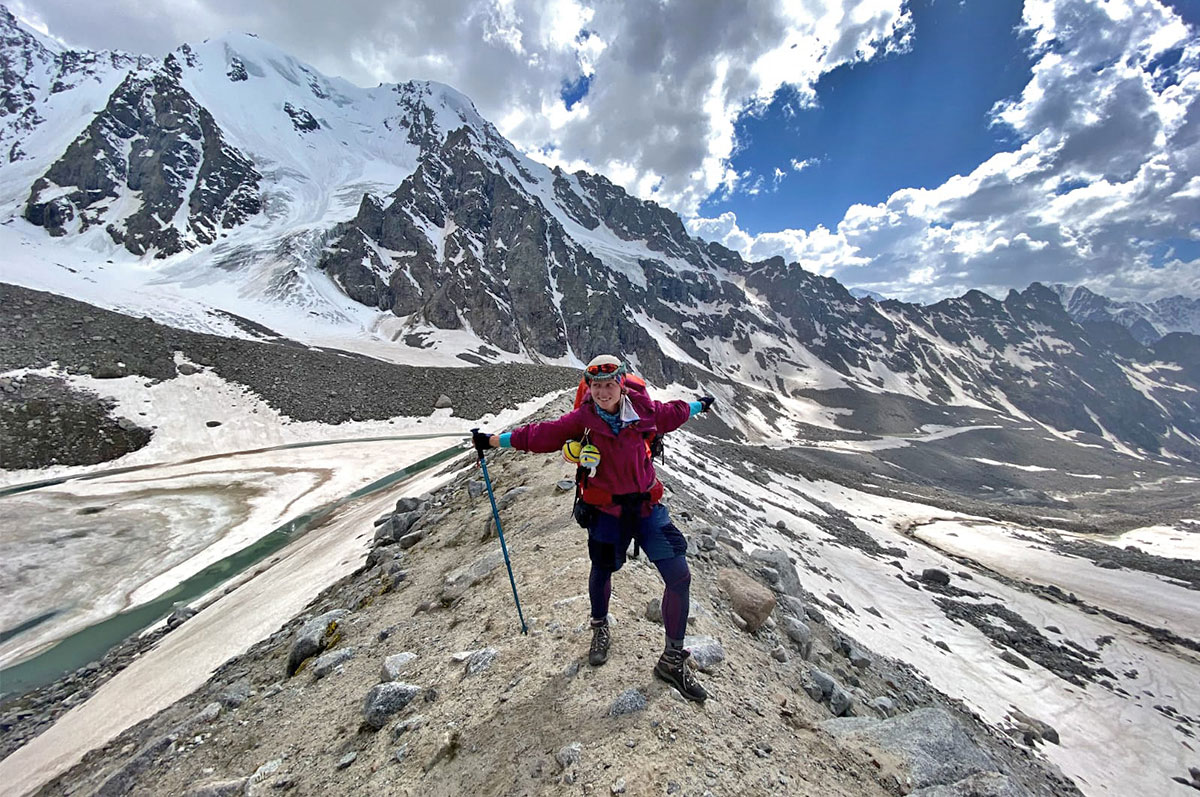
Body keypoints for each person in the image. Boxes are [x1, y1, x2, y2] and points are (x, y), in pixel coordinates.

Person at [472, 354, 715, 702]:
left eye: (609, 385)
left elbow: (677, 412)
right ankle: (600, 627)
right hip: (606, 510)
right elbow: (539, 436)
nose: (603, 393)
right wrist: (494, 441)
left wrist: (700, 405)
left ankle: (672, 660)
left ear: (621, 384)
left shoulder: (646, 411)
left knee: (679, 576)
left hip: (646, 507)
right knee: (602, 569)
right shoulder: (582, 419)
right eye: (596, 386)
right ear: (589, 387)